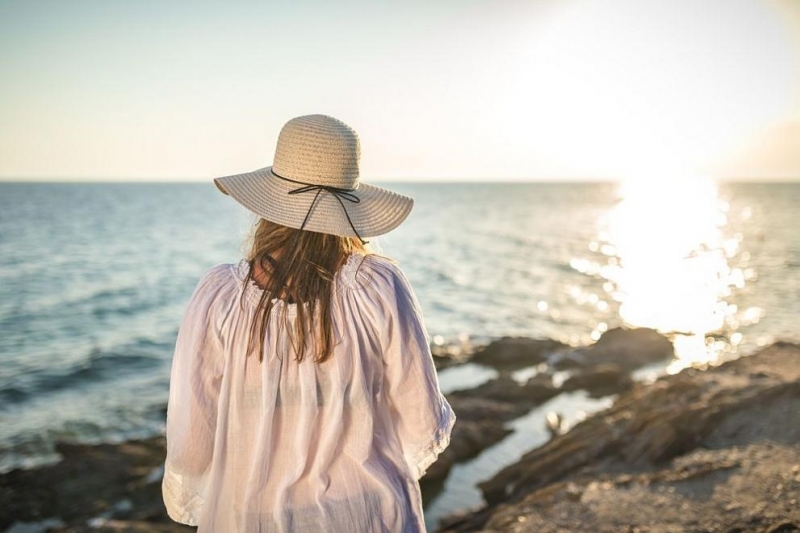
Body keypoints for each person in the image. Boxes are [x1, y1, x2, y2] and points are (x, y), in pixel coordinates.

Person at [162, 114, 455, 532]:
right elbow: (423, 423)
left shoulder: (220, 297)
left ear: (269, 203)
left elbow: (191, 454)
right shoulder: (378, 285)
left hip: (253, 519)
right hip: (369, 514)